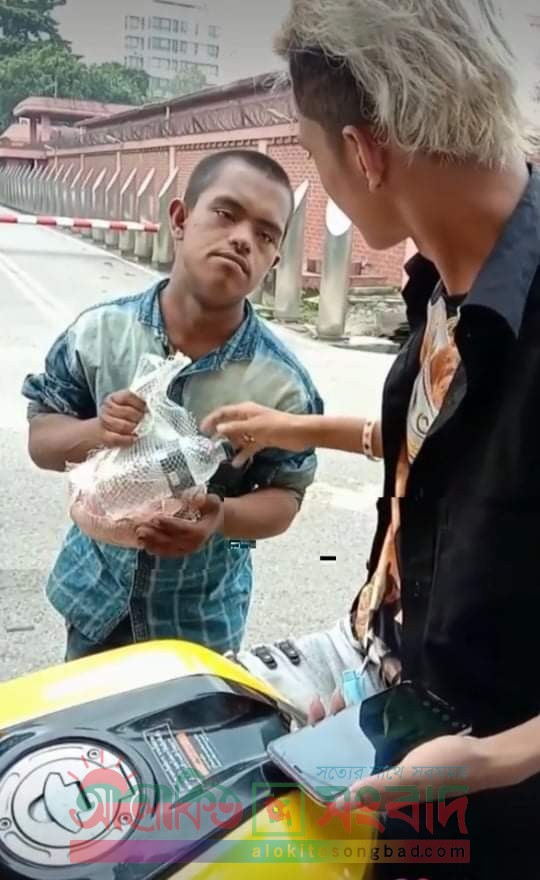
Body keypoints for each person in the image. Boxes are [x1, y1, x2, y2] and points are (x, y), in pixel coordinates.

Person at [201, 2, 540, 877]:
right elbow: (450, 460)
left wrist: (497, 760)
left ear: (364, 152)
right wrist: (294, 427)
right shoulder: (447, 282)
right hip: (403, 715)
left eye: (312, 155)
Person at [22, 149, 323, 663]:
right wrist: (100, 430)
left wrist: (220, 517)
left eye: (265, 235)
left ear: (273, 261)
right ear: (180, 219)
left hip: (198, 622)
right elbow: (41, 441)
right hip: (96, 601)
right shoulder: (100, 334)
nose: (243, 239)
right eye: (226, 213)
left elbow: (285, 497)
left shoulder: (282, 386)